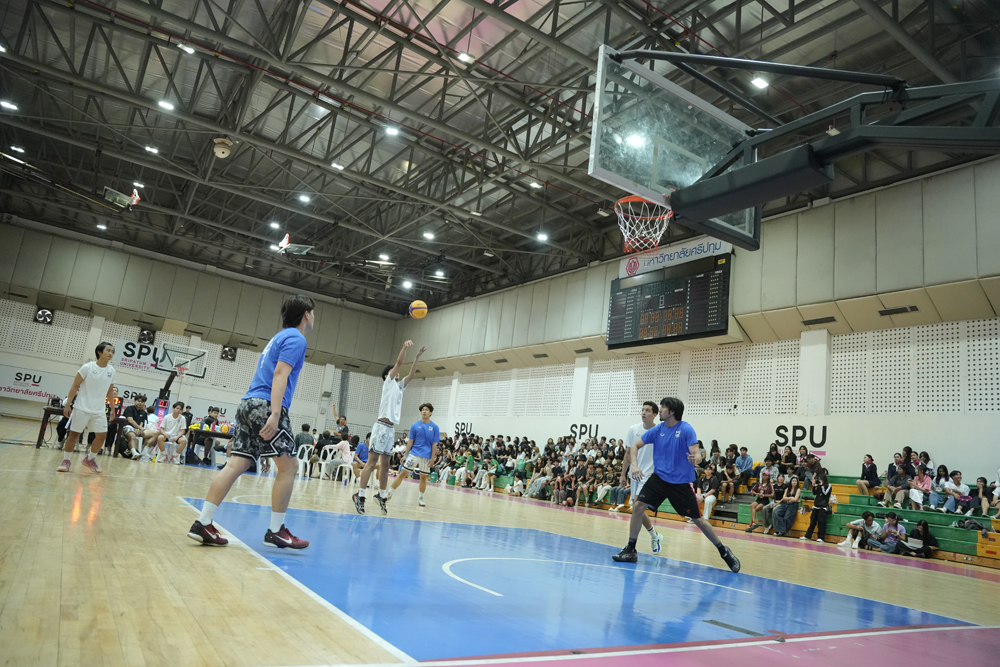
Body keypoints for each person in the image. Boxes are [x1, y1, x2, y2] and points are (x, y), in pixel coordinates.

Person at [186, 294, 315, 549]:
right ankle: (276, 531)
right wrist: (275, 413)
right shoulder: (296, 338)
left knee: (237, 463)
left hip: (248, 403)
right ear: (306, 315)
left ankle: (203, 522)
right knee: (289, 467)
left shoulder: (278, 337)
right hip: (266, 405)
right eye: (313, 313)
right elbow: (280, 374)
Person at [612, 397, 738, 572]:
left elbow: (697, 453)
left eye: (663, 407)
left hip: (680, 483)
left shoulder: (686, 429)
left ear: (671, 411)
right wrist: (634, 465)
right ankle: (631, 550)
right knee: (638, 505)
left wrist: (696, 459)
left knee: (698, 520)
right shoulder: (658, 430)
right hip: (659, 478)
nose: (660, 410)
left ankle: (723, 551)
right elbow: (634, 447)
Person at [353, 340, 425, 515]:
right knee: (371, 463)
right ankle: (360, 495)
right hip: (380, 427)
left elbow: (411, 375)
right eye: (393, 371)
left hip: (390, 429)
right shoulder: (388, 383)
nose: (397, 372)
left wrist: (416, 357)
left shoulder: (399, 387)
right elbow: (399, 363)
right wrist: (404, 347)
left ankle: (382, 495)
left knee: (385, 465)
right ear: (387, 375)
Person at [56, 342, 117, 474]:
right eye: (108, 350)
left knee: (102, 436)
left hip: (99, 410)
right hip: (81, 407)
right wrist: (68, 404)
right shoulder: (87, 367)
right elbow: (74, 386)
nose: (111, 353)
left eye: (112, 351)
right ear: (99, 352)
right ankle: (66, 461)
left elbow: (110, 391)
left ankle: (90, 459)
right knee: (74, 435)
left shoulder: (111, 371)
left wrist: (112, 408)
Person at [610, 402, 661, 550]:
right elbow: (627, 453)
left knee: (638, 506)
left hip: (650, 474)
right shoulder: (633, 429)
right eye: (642, 410)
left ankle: (631, 545)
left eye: (647, 410)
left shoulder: (660, 431)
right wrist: (623, 474)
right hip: (634, 473)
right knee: (637, 508)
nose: (643, 412)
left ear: (655, 414)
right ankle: (654, 535)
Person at [389, 402, 439, 507]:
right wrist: (405, 455)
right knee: (402, 473)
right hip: (414, 453)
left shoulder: (435, 427)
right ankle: (389, 493)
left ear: (430, 413)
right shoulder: (415, 425)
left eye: (426, 410)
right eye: (423, 410)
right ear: (420, 412)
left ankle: (420, 498)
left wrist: (433, 458)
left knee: (423, 478)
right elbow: (410, 441)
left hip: (426, 456)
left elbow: (434, 444)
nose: (424, 411)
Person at [123, 394, 156, 460]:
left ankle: (144, 452)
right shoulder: (129, 408)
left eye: (143, 402)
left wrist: (142, 430)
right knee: (132, 435)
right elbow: (130, 420)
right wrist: (139, 428)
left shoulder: (144, 413)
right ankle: (134, 453)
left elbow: (143, 423)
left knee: (156, 434)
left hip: (139, 429)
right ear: (134, 401)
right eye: (139, 401)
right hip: (128, 427)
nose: (141, 403)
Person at [802, 471, 832, 543]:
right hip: (816, 506)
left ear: (824, 479)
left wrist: (821, 486)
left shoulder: (828, 486)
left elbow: (825, 493)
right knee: (812, 522)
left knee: (821, 523)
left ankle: (821, 537)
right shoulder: (819, 485)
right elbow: (814, 493)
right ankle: (808, 536)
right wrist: (814, 486)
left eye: (821, 479)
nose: (819, 481)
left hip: (823, 507)